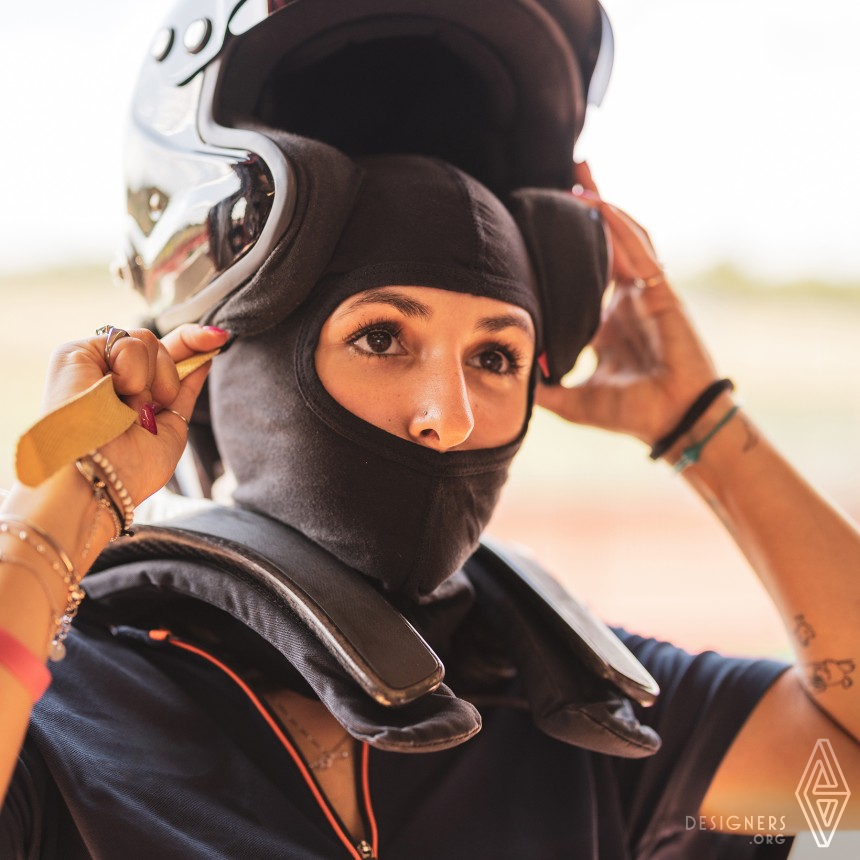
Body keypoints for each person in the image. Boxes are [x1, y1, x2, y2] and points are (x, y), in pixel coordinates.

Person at [1, 3, 859, 858]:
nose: (449, 417)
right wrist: (65, 508)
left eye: (495, 357)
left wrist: (700, 422)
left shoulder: (592, 726)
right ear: (235, 357)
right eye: (382, 339)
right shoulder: (63, 714)